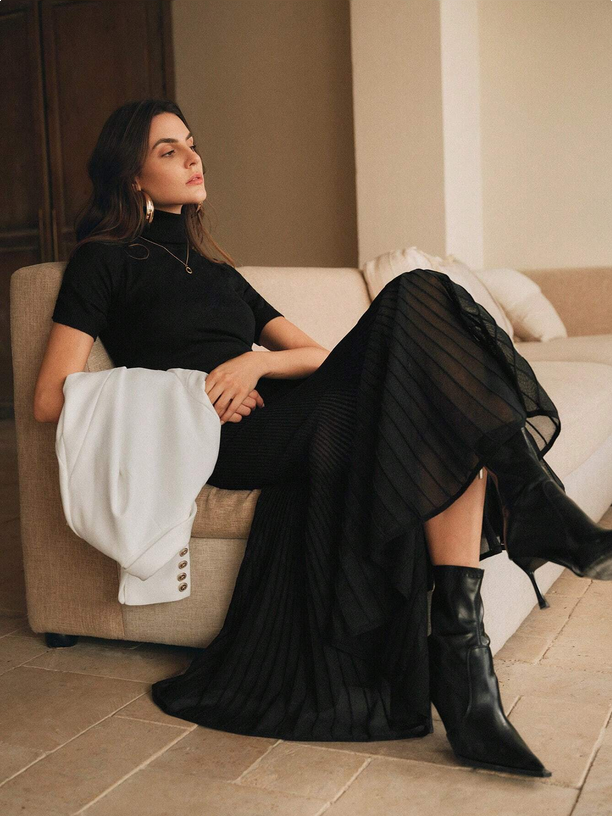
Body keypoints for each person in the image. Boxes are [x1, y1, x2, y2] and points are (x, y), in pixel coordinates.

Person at [34, 99, 612, 781]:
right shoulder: (103, 263)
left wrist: (259, 360)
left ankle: (463, 663)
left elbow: (315, 354)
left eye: (192, 144)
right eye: (169, 150)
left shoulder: (219, 271)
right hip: (228, 436)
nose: (193, 159)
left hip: (289, 409)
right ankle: (532, 517)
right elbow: (52, 397)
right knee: (418, 302)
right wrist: (191, 392)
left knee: (426, 335)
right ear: (132, 176)